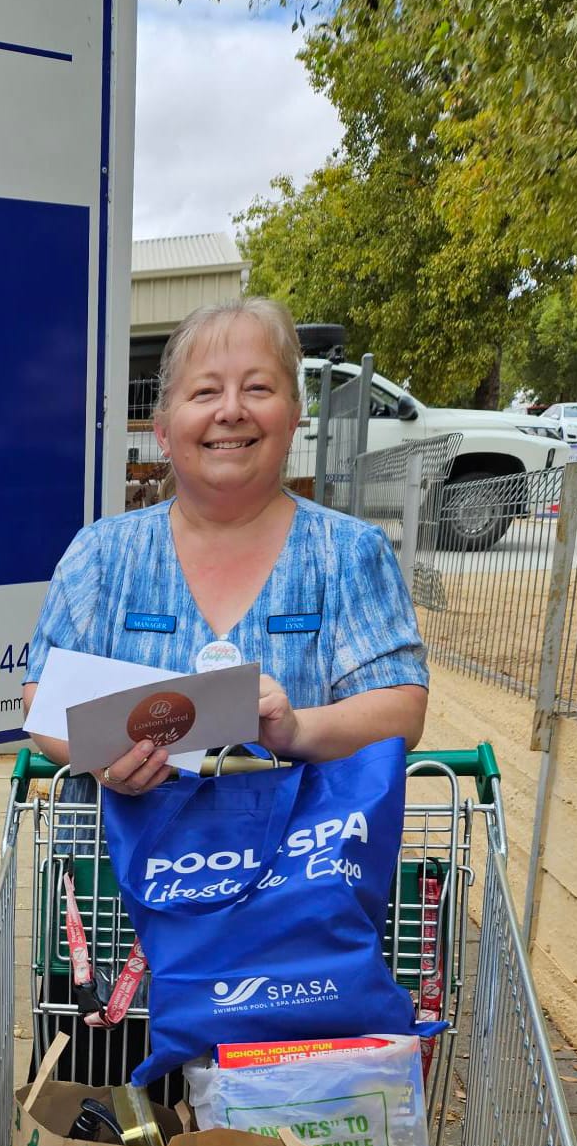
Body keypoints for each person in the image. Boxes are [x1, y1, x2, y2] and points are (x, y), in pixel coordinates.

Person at [23, 296, 429, 794]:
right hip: (115, 865)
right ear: (164, 431)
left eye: (258, 388)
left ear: (293, 419)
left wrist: (297, 731)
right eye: (205, 392)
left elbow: (401, 709)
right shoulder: (102, 555)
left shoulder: (349, 554)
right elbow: (44, 696)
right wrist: (108, 763)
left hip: (300, 863)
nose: (231, 410)